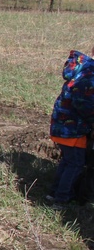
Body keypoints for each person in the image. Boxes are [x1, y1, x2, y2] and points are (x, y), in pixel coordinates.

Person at [48, 48, 94, 209]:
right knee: (75, 164)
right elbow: (85, 104)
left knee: (68, 162)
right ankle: (62, 199)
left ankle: (54, 193)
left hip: (64, 125)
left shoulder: (80, 69)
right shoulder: (89, 75)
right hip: (73, 129)